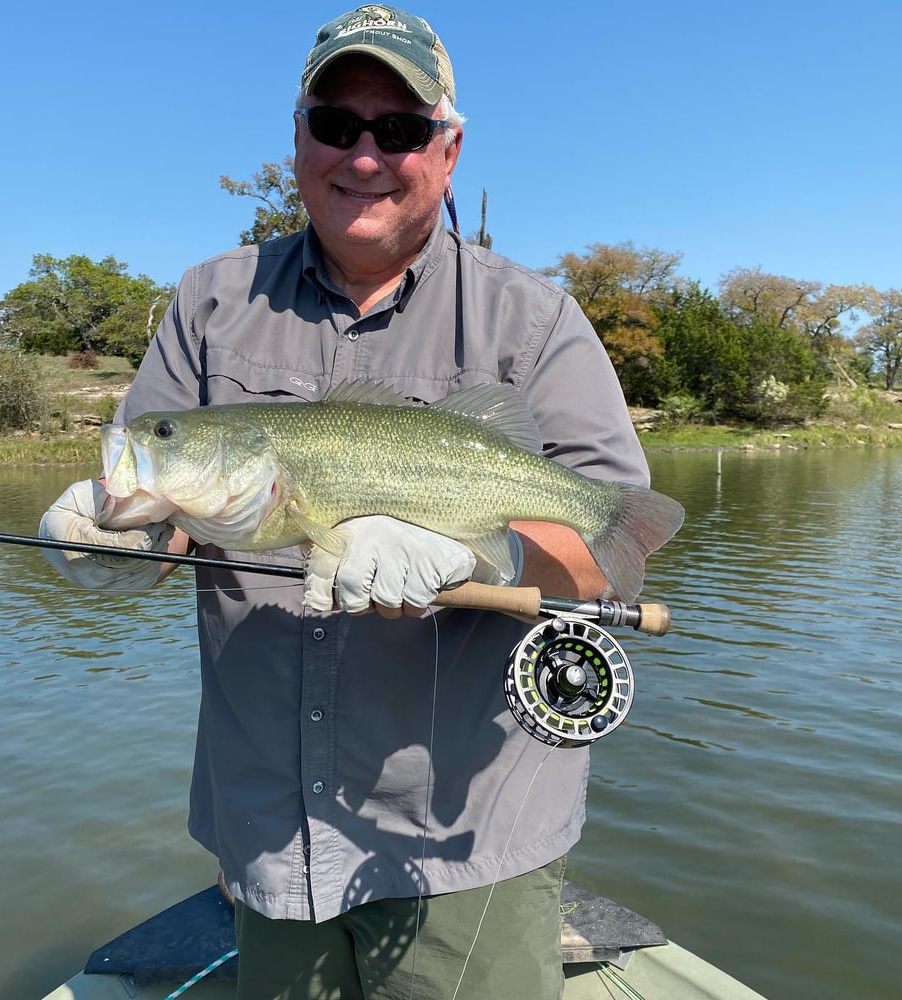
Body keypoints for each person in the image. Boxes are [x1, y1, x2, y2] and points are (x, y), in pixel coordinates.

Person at [40, 6, 653, 998]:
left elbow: (598, 564)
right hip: (267, 829)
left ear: (447, 153)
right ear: (298, 141)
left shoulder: (535, 320)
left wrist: (479, 556)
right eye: (336, 123)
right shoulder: (208, 300)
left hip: (464, 839)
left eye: (400, 130)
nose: (364, 155)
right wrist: (108, 536)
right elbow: (160, 525)